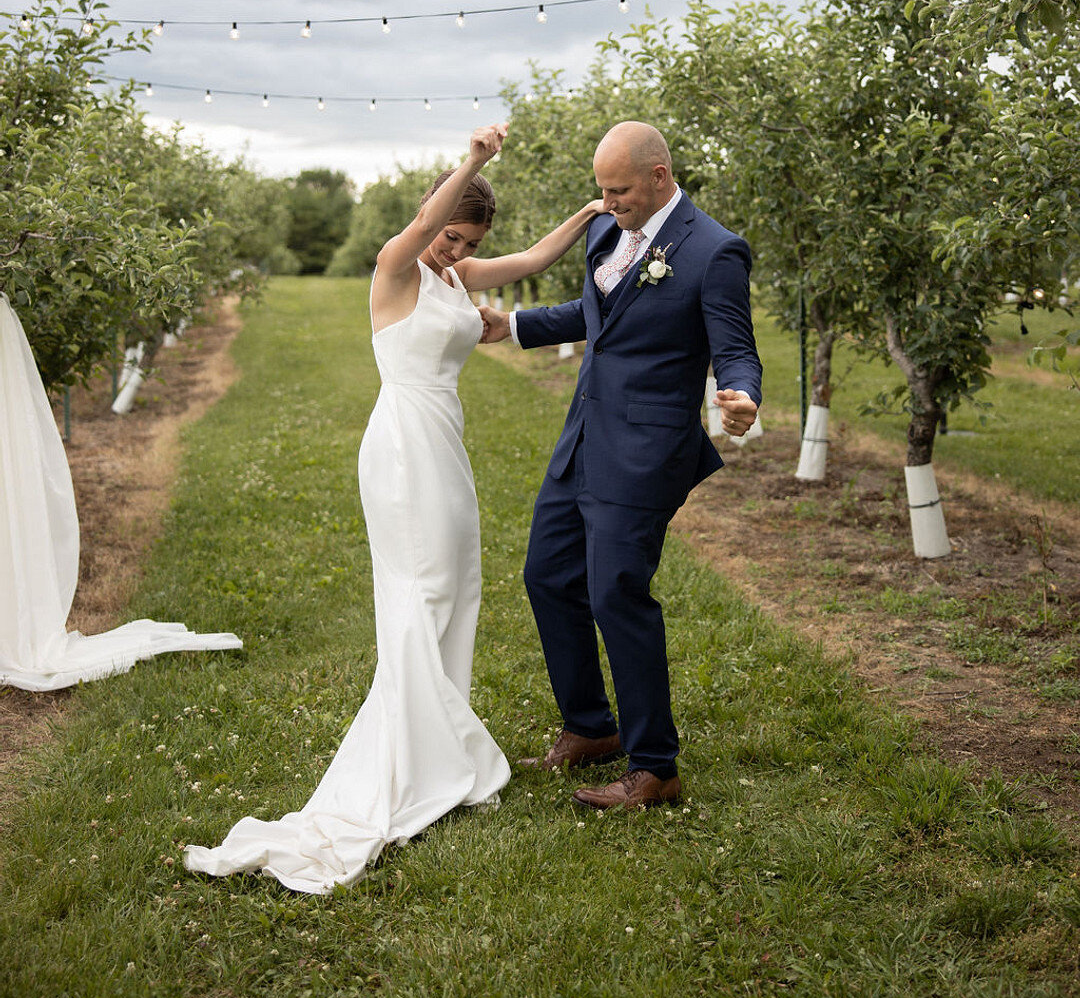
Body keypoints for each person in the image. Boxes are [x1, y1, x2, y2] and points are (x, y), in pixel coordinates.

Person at [184, 123, 602, 893]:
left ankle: (437, 733)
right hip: (404, 446)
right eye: (447, 235)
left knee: (458, 584)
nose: (451, 250)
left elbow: (537, 261)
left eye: (465, 240)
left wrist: (592, 212)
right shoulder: (398, 266)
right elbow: (414, 232)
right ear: (432, 218)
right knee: (423, 586)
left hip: (443, 441)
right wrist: (472, 161)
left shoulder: (454, 276)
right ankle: (413, 747)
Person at [480, 121, 761, 811]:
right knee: (547, 575)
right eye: (601, 190)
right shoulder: (609, 233)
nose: (607, 202)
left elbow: (736, 345)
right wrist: (513, 326)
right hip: (583, 434)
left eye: (620, 190)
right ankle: (590, 727)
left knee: (617, 594)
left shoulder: (713, 250)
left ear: (660, 176)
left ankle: (654, 765)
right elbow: (597, 312)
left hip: (645, 452)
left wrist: (743, 396)